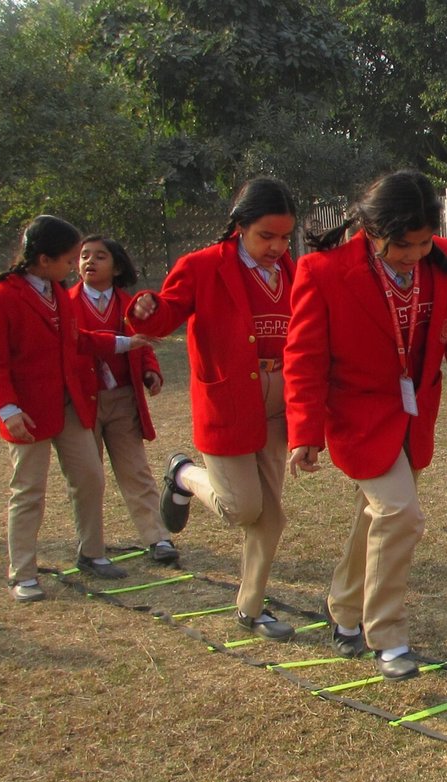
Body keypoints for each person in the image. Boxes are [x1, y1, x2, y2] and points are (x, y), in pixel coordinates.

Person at [285, 171, 447, 679]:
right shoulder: (323, 271)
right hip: (356, 417)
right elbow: (305, 358)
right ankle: (387, 636)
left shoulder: (442, 259)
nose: (415, 254)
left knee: (377, 517)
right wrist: (304, 432)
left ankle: (343, 609)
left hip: (414, 415)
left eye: (424, 243)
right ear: (373, 229)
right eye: (404, 245)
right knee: (400, 513)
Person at [128, 178, 299, 640]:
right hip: (228, 401)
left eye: (285, 237)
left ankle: (250, 609)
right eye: (266, 235)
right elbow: (165, 316)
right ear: (240, 226)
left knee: (271, 517)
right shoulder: (202, 266)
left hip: (278, 401)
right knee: (242, 508)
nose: (277, 247)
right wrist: (147, 309)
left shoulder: (290, 270)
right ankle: (183, 474)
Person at [0, 214, 136, 603]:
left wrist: (126, 343)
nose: (75, 267)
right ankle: (23, 573)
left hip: (69, 405)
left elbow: (76, 340)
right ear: (44, 260)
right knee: (29, 490)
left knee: (90, 477)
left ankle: (92, 552)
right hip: (27, 413)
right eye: (68, 259)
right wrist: (7, 409)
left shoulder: (57, 292)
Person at [73, 236, 178, 564]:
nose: (90, 261)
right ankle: (91, 546)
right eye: (84, 256)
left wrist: (150, 372)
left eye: (100, 256)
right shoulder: (66, 303)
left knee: (136, 471)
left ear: (117, 267)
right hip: (83, 401)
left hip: (122, 399)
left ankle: (158, 538)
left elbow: (143, 344)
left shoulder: (129, 304)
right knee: (88, 477)